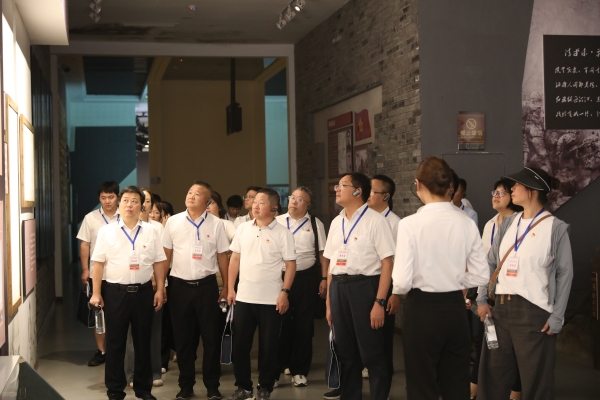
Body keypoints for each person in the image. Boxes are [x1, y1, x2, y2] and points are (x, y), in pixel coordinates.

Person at [392, 156, 489, 400]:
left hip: (421, 310)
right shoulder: (466, 223)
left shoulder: (409, 224)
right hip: (455, 309)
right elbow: (481, 274)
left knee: (421, 384)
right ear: (450, 187)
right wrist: (456, 280)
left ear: (418, 184)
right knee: (456, 383)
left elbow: (401, 281)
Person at [476, 167, 573, 400]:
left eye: (517, 184)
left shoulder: (555, 228)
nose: (512, 189)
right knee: (493, 376)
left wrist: (557, 316)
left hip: (534, 313)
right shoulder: (508, 223)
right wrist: (481, 298)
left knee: (536, 381)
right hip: (500, 310)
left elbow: (565, 274)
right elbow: (490, 263)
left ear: (533, 189)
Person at [90, 186, 166, 400]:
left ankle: (144, 389)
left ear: (142, 206)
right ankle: (115, 390)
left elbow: (159, 262)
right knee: (115, 344)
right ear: (119, 203)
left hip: (143, 292)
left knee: (143, 342)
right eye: (125, 200)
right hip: (116, 293)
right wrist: (96, 293)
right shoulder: (106, 231)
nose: (129, 205)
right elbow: (98, 264)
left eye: (134, 201)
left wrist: (160, 289)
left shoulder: (152, 231)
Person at [324, 172, 395, 400]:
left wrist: (379, 302)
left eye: (342, 185)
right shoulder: (336, 222)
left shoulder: (376, 221)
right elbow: (331, 264)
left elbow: (387, 263)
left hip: (365, 288)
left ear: (357, 191)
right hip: (338, 288)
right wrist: (329, 304)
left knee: (372, 351)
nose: (336, 189)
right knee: (345, 351)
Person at [162, 181, 231, 400]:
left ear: (208, 201)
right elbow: (165, 256)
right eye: (189, 192)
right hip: (179, 287)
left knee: (211, 339)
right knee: (183, 340)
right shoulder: (173, 222)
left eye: (197, 193)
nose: (191, 196)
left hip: (207, 287)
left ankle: (212, 386)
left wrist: (227, 287)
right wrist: (161, 285)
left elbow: (222, 257)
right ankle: (185, 386)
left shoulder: (216, 224)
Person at [226, 188, 297, 400]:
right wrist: (230, 288)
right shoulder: (243, 229)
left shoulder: (283, 233)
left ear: (273, 208)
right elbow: (235, 259)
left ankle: (265, 386)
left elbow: (290, 265)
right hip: (244, 297)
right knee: (240, 346)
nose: (255, 205)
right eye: (254, 201)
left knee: (269, 347)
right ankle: (244, 387)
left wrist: (284, 293)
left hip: (270, 299)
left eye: (261, 202)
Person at [469, 178, 523, 400]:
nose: (496, 196)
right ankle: (477, 388)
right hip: (487, 290)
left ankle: (514, 391)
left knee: (512, 348)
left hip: (510, 292)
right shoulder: (490, 224)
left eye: (502, 192)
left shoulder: (520, 222)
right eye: (495, 192)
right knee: (484, 343)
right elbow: (483, 261)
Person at [275, 186, 328, 387]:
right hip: (279, 278)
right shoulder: (277, 221)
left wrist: (324, 278)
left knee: (303, 326)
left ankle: (299, 371)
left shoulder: (315, 224)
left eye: (300, 199)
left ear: (308, 204)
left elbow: (322, 254)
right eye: (292, 197)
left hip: (306, 279)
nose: (294, 201)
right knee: (280, 325)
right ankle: (276, 370)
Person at [124, 188, 166, 388]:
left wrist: (159, 284)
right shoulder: (122, 227)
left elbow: (162, 258)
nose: (144, 204)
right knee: (131, 335)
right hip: (133, 285)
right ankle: (132, 374)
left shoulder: (157, 228)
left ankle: (154, 370)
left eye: (148, 201)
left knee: (153, 332)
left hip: (155, 286)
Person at [76, 181, 120, 367]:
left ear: (117, 197)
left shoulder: (125, 216)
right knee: (98, 315)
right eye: (103, 197)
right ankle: (101, 351)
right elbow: (85, 244)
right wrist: (85, 269)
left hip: (120, 273)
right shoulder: (91, 218)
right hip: (97, 274)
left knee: (118, 314)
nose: (107, 201)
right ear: (99, 198)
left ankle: (118, 351)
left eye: (111, 197)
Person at [366, 174, 401, 385]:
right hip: (365, 283)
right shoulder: (365, 219)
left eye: (373, 191)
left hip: (385, 283)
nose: (368, 194)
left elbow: (398, 261)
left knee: (383, 336)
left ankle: (383, 381)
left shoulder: (395, 223)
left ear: (386, 196)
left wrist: (395, 293)